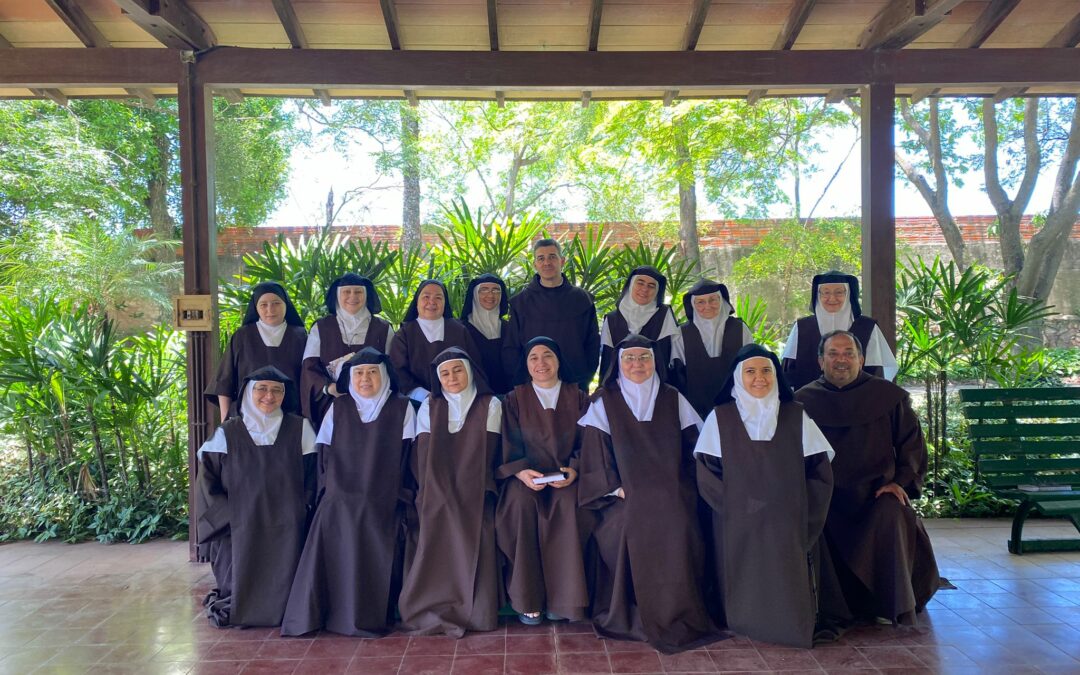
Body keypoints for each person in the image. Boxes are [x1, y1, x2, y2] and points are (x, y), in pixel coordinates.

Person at [577, 334, 720, 654]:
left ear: (654, 362)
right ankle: (632, 611)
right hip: (621, 495)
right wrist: (615, 487)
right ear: (618, 364)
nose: (637, 365)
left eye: (644, 358)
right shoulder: (604, 401)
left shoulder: (674, 398)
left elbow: (694, 450)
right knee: (627, 525)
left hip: (672, 490)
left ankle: (678, 611)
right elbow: (595, 454)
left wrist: (680, 485)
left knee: (680, 522)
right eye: (629, 358)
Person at [795, 330, 941, 626]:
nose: (841, 360)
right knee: (808, 516)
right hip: (827, 497)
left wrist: (899, 482)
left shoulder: (888, 398)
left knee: (891, 511)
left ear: (861, 359)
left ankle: (890, 603)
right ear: (820, 360)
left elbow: (912, 445)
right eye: (833, 354)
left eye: (848, 353)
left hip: (876, 493)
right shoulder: (802, 401)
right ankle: (829, 604)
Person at [694, 344, 834, 648]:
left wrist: (801, 513)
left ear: (777, 375)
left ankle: (790, 624)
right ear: (737, 377)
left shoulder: (796, 415)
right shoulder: (721, 418)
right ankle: (743, 621)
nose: (759, 378)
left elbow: (819, 473)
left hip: (790, 519)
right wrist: (737, 509)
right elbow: (706, 474)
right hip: (736, 520)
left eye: (767, 370)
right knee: (741, 576)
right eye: (751, 371)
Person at [281, 348, 415, 637]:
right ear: (349, 379)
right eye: (358, 373)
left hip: (387, 494)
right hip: (341, 492)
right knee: (332, 513)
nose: (365, 378)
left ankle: (369, 612)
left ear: (385, 376)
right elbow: (324, 457)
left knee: (370, 513)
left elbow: (408, 459)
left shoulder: (403, 408)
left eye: (372, 372)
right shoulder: (337, 408)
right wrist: (332, 492)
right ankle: (328, 610)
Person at [194, 366, 317, 628]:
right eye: (261, 389)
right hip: (239, 524)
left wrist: (299, 509)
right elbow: (207, 484)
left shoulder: (300, 429)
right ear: (249, 393)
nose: (269, 396)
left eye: (276, 390)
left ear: (285, 395)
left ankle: (284, 608)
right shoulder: (227, 433)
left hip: (287, 524)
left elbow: (313, 476)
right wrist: (231, 517)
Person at [398, 348, 503, 637]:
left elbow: (491, 455)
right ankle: (432, 604)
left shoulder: (490, 404)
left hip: (480, 486)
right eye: (444, 373)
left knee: (480, 523)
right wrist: (436, 492)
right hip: (437, 486)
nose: (451, 377)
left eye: (457, 370)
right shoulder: (430, 406)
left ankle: (476, 611)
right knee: (433, 516)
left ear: (470, 372)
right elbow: (424, 458)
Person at [495, 337, 591, 626]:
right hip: (525, 478)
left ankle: (565, 600)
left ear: (559, 360)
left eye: (547, 355)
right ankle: (528, 599)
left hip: (568, 477)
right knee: (521, 507)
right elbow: (507, 442)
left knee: (568, 507)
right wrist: (521, 471)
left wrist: (574, 468)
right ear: (526, 364)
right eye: (533, 357)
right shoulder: (514, 398)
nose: (541, 363)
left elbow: (589, 441)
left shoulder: (579, 397)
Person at [502, 239, 600, 390]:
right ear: (535, 264)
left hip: (575, 384)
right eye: (541, 258)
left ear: (562, 261)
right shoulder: (520, 303)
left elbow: (592, 344)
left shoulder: (582, 299)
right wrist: (523, 382)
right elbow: (512, 347)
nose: (547, 262)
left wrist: (585, 377)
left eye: (552, 257)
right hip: (532, 385)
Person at [206, 282, 307, 423]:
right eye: (263, 305)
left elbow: (309, 381)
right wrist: (226, 420)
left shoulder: (300, 336)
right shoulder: (242, 336)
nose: (270, 309)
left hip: (290, 418)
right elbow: (224, 382)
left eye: (276, 303)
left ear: (286, 305)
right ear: (256, 308)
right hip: (247, 418)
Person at [300, 273, 394, 426]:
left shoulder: (383, 328)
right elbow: (309, 367)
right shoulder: (321, 327)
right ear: (337, 295)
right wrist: (329, 387)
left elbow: (392, 367)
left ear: (366, 295)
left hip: (375, 407)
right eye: (346, 292)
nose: (353, 296)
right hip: (332, 404)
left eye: (358, 292)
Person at [781, 271, 897, 391]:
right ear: (818, 295)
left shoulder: (867, 326)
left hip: (857, 402)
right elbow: (789, 371)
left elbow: (876, 370)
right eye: (826, 292)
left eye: (839, 292)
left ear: (848, 294)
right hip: (810, 401)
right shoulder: (802, 327)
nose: (832, 298)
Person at [389, 279, 483, 404]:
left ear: (445, 303)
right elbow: (397, 370)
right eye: (426, 297)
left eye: (438, 297)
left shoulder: (459, 330)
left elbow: (474, 364)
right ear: (417, 302)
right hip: (417, 402)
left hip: (460, 399)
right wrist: (422, 395)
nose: (432, 302)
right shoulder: (405, 333)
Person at [669, 280, 753, 418]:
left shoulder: (740, 329)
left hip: (738, 406)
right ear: (693, 305)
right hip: (696, 410)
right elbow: (679, 375)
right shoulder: (681, 334)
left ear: (722, 300)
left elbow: (750, 366)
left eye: (713, 300)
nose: (707, 306)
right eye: (700, 302)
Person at [599, 266, 679, 380]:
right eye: (640, 283)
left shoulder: (664, 315)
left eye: (651, 286)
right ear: (631, 284)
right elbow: (607, 362)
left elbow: (671, 358)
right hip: (619, 388)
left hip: (657, 385)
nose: (645, 289)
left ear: (657, 291)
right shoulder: (612, 319)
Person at [460, 273, 512, 395]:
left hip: (510, 395)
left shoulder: (510, 328)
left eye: (496, 290)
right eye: (484, 290)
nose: (490, 295)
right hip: (476, 397)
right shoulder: (461, 329)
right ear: (474, 294)